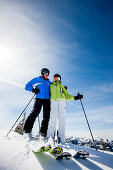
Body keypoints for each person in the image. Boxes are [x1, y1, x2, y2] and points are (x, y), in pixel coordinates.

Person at [47, 74, 83, 144]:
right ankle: (50, 137)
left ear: (59, 78)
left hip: (62, 102)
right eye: (53, 77)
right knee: (52, 119)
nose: (54, 78)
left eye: (56, 77)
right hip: (53, 101)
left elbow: (67, 96)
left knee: (62, 119)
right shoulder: (51, 85)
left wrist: (75, 97)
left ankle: (61, 138)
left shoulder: (62, 86)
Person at [23, 68, 51, 139]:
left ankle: (43, 133)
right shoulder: (36, 79)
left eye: (48, 74)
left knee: (46, 117)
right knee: (34, 113)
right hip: (39, 99)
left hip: (47, 100)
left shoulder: (49, 82)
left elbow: (55, 88)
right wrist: (33, 90)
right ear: (43, 73)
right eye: (46, 73)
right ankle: (27, 131)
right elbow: (27, 86)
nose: (47, 75)